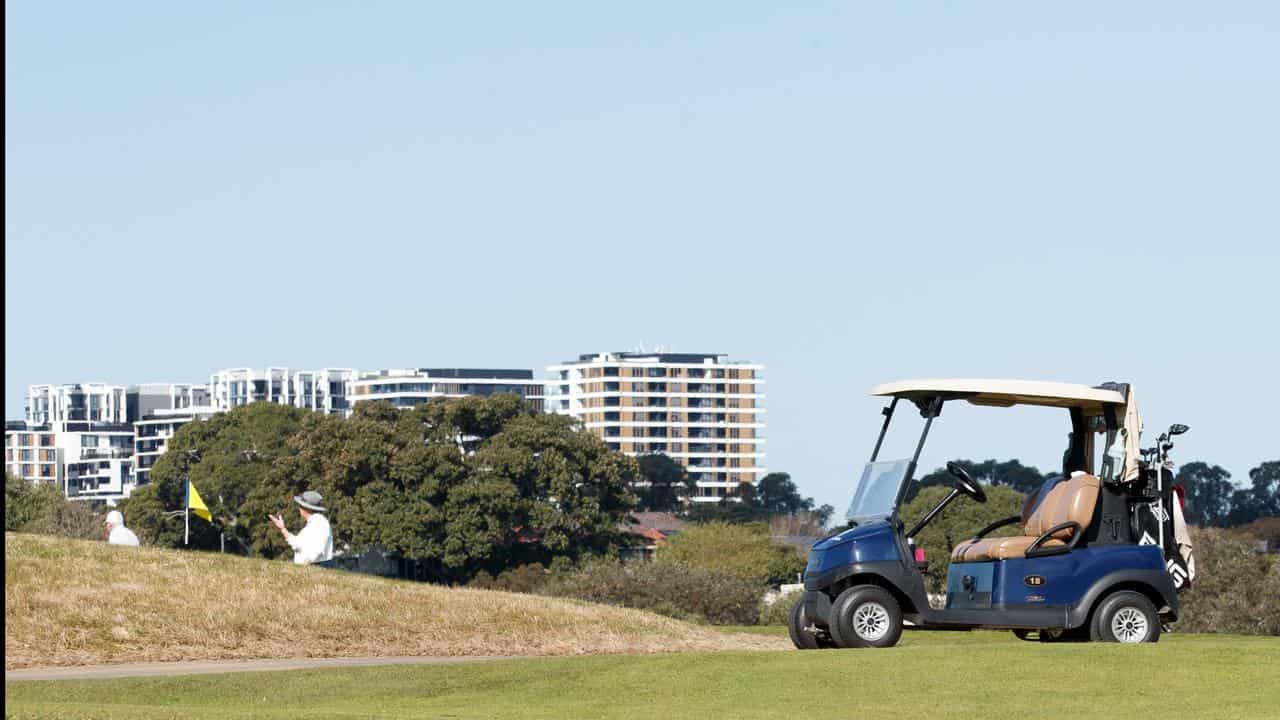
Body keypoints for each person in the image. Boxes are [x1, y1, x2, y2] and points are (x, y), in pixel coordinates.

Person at [268, 490, 333, 565]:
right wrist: (283, 528)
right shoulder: (314, 522)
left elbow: (318, 549)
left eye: (300, 505)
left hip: (316, 566)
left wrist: (306, 564)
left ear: (305, 508)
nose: (299, 508)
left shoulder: (320, 522)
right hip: (312, 567)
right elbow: (297, 544)